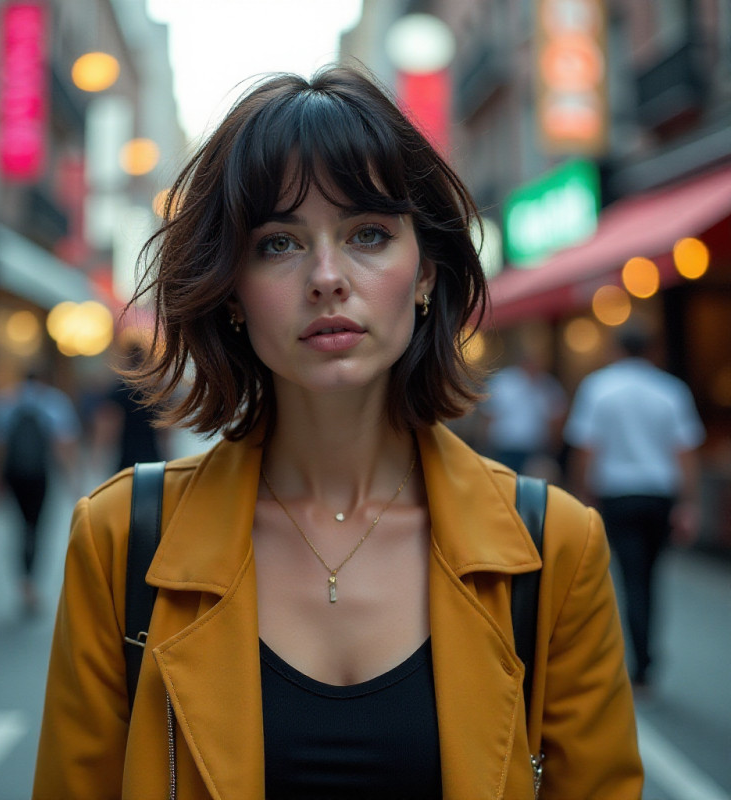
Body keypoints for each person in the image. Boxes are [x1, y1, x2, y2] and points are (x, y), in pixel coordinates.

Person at [34, 66, 642, 799]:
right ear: (232, 292)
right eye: (278, 244)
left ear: (425, 273)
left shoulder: (554, 549)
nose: (327, 276)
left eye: (368, 233)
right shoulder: (120, 542)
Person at [564, 319, 705, 688]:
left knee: (630, 575)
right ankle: (645, 657)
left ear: (616, 349)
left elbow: (585, 448)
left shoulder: (598, 388)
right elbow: (686, 452)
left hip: (618, 493)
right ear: (651, 350)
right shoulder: (671, 391)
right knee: (649, 576)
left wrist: (583, 493)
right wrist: (689, 503)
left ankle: (640, 660)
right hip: (660, 494)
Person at [0, 367, 80, 612]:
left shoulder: (4, 401)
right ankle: (30, 584)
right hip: (40, 475)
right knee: (37, 527)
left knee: (21, 526)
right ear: (43, 379)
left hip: (13, 476)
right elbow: (63, 444)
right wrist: (72, 479)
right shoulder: (54, 402)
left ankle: (24, 581)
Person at [481, 344, 568, 479]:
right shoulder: (504, 382)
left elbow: (557, 419)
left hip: (535, 449)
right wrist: (487, 445)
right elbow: (489, 415)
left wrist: (553, 448)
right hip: (505, 447)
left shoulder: (549, 385)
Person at [93, 342, 169, 472]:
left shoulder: (119, 390)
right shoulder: (153, 391)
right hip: (153, 457)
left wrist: (98, 454)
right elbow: (165, 430)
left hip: (127, 460)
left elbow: (108, 428)